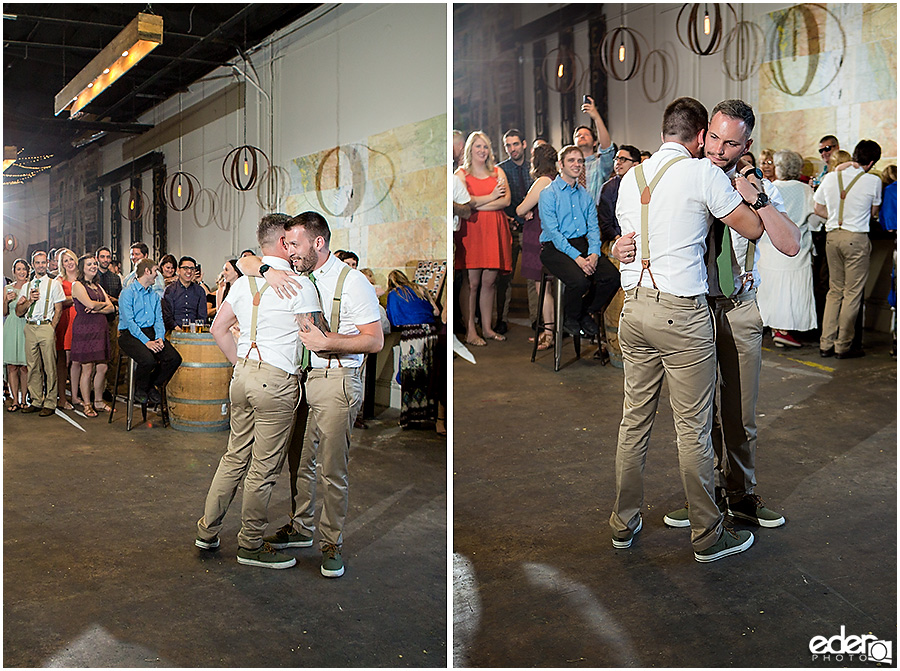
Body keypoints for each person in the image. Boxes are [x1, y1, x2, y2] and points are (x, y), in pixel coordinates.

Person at [609, 96, 765, 562]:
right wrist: (754, 195)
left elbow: (627, 245)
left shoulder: (627, 179)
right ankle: (707, 534)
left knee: (633, 421)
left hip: (633, 311)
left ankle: (623, 523)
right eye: (711, 138)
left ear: (663, 132)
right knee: (692, 429)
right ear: (700, 137)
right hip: (681, 314)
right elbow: (753, 230)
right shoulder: (703, 174)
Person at [654, 100, 799, 534]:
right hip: (692, 309)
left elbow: (789, 243)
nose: (718, 149)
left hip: (737, 310)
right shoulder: (685, 176)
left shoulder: (749, 183)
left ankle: (741, 495)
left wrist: (758, 196)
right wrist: (615, 248)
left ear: (746, 144)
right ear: (703, 134)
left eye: (730, 142)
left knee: (740, 413)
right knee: (698, 417)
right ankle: (704, 498)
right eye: (713, 138)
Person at [241, 211, 383, 579]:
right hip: (303, 380)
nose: (288, 250)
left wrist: (328, 341)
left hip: (336, 380)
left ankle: (331, 542)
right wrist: (264, 269)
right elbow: (245, 259)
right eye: (285, 244)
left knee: (333, 470)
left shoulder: (352, 282)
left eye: (294, 243)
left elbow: (375, 339)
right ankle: (301, 527)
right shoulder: (298, 275)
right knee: (300, 462)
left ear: (317, 243)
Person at [196, 213, 323, 570]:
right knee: (264, 469)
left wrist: (241, 362)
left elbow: (218, 329)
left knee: (234, 457)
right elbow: (313, 339)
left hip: (242, 377)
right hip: (276, 381)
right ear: (284, 242)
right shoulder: (299, 284)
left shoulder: (242, 283)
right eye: (294, 240)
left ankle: (207, 530)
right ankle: (251, 543)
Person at [538, 145, 619, 338]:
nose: (577, 164)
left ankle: (582, 313)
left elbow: (593, 228)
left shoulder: (585, 195)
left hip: (582, 244)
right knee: (580, 282)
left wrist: (593, 254)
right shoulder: (548, 194)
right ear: (561, 165)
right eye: (571, 160)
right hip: (554, 247)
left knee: (613, 277)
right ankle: (569, 317)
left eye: (580, 161)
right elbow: (555, 234)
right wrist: (579, 259)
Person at [814, 139, 883, 359]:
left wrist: (835, 218)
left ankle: (825, 344)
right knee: (852, 294)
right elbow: (874, 213)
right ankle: (843, 346)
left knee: (834, 292)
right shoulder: (873, 181)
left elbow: (818, 208)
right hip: (857, 238)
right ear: (871, 162)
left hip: (832, 237)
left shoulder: (831, 177)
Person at [454, 131, 512, 346]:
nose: (482, 150)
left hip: (494, 230)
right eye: (478, 146)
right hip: (472, 230)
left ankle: (487, 328)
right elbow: (463, 204)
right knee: (472, 282)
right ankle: (470, 330)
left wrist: (477, 203)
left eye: (485, 146)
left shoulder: (498, 172)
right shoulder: (460, 174)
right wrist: (489, 198)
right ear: (470, 149)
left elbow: (506, 201)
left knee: (489, 281)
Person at [758, 150, 817, 345]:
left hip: (769, 246)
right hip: (795, 249)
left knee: (772, 290)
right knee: (791, 292)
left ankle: (774, 328)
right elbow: (815, 220)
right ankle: (784, 330)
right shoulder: (805, 190)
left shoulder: (768, 187)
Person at [596, 144, 643, 365]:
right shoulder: (609, 188)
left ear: (636, 164)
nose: (618, 162)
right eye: (616, 158)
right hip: (616, 246)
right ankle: (613, 347)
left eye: (623, 159)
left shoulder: (644, 185)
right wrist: (618, 239)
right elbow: (605, 221)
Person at [117, 258, 183, 405]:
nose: (157, 275)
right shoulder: (127, 293)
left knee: (174, 358)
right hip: (129, 334)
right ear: (147, 271)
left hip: (151, 332)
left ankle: (151, 385)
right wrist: (147, 342)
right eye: (155, 271)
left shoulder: (153, 295)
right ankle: (140, 389)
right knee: (148, 360)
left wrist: (160, 338)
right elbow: (130, 322)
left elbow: (159, 320)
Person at [385, 269, 441, 429]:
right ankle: (431, 415)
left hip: (412, 336)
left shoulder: (394, 294)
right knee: (430, 376)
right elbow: (436, 311)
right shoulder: (420, 288)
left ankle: (409, 418)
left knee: (411, 378)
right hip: (431, 333)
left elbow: (394, 320)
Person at [515, 143, 558, 350]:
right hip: (546, 235)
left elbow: (521, 208)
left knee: (543, 289)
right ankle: (548, 331)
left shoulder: (542, 181)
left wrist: (525, 211)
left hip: (537, 236)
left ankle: (549, 334)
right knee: (546, 287)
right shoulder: (557, 179)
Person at [16, 251, 65, 415]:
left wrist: (52, 327)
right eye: (37, 263)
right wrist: (29, 300)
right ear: (33, 265)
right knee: (32, 366)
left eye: (43, 262)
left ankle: (50, 403)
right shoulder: (26, 286)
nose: (41, 265)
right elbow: (18, 312)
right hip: (29, 326)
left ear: (47, 263)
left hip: (46, 326)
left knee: (50, 366)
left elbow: (59, 309)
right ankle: (36, 400)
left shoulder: (54, 284)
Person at [495, 129, 534, 334]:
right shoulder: (500, 170)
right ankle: (500, 319)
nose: (512, 149)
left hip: (531, 228)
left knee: (532, 275)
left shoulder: (533, 168)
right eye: (508, 146)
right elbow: (497, 199)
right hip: (509, 228)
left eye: (515, 144)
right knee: (505, 276)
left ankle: (537, 319)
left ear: (524, 144)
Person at [70, 254, 115, 416]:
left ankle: (98, 400)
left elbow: (112, 308)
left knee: (102, 367)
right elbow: (89, 304)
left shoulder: (97, 286)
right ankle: (87, 404)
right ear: (82, 268)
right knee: (87, 368)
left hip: (100, 329)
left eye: (94, 264)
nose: (93, 266)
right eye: (89, 264)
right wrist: (102, 305)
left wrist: (99, 306)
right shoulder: (77, 285)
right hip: (85, 330)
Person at [54, 248, 80, 410]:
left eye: (71, 259)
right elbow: (57, 302)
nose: (69, 263)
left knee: (79, 361)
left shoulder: (82, 278)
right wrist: (76, 298)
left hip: (82, 322)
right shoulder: (59, 280)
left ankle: (76, 396)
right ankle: (62, 397)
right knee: (64, 361)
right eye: (65, 261)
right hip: (65, 321)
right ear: (61, 264)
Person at [576, 96, 616, 201]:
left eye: (586, 135)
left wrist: (596, 117)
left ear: (595, 142)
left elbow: (607, 148)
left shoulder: (599, 165)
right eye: (578, 135)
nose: (582, 136)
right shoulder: (570, 166)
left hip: (594, 214)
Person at [95, 246, 122, 398]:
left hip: (111, 321)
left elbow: (120, 301)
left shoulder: (115, 278)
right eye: (102, 257)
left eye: (107, 257)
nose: (105, 260)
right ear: (97, 258)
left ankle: (108, 389)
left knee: (112, 355)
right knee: (96, 356)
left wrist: (114, 301)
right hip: (95, 321)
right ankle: (94, 388)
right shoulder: (92, 277)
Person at [4, 258, 30, 411]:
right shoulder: (8, 288)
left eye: (24, 269)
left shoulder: (31, 287)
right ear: (14, 272)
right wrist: (6, 301)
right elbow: (4, 312)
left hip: (26, 325)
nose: (21, 272)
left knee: (25, 366)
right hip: (11, 325)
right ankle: (14, 399)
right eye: (18, 269)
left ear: (27, 272)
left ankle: (24, 398)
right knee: (12, 366)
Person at [162, 256, 208, 332]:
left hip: (195, 332)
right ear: (178, 270)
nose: (189, 271)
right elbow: (167, 316)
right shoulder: (170, 290)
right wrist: (178, 329)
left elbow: (202, 316)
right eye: (185, 268)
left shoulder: (200, 291)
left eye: (192, 269)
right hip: (174, 331)